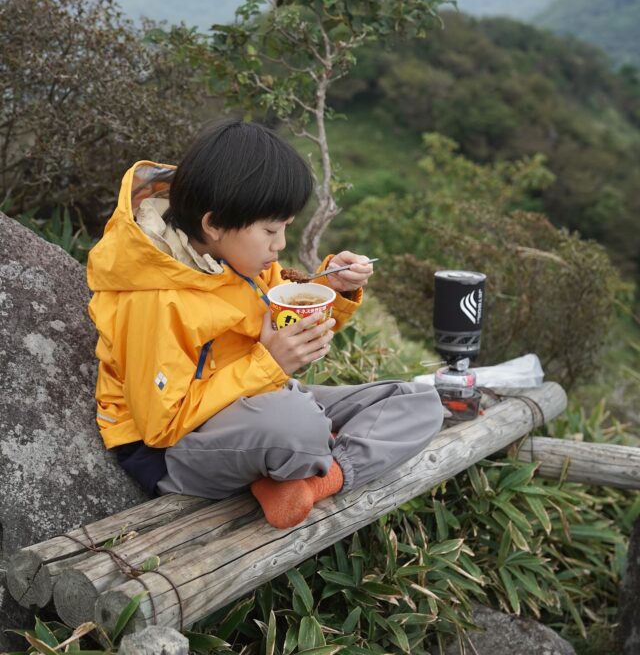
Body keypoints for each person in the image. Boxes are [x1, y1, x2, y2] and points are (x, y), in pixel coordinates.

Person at [87, 121, 444, 528]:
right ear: (213, 224)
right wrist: (269, 365)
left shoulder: (236, 258)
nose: (280, 245)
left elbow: (283, 318)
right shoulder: (155, 296)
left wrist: (332, 287)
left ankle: (311, 483)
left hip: (260, 402)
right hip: (174, 451)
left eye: (286, 228)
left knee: (417, 401)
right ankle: (298, 458)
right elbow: (161, 426)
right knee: (298, 422)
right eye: (271, 230)